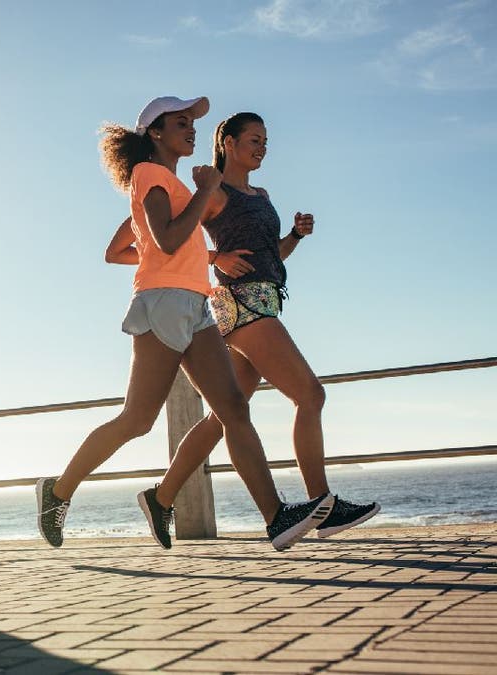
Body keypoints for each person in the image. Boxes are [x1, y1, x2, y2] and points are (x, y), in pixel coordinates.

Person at [35, 96, 334, 552]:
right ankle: (57, 491)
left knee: (233, 408)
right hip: (162, 303)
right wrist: (203, 192)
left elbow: (158, 244)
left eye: (193, 122)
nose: (192, 129)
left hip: (197, 304)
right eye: (181, 123)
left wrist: (206, 237)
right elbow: (169, 240)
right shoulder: (149, 176)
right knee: (137, 420)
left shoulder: (172, 183)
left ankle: (276, 517)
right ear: (155, 133)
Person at [105, 112, 379, 537]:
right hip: (242, 306)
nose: (262, 147)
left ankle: (161, 498)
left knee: (224, 415)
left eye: (266, 141)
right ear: (228, 143)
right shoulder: (211, 191)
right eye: (253, 139)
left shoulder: (261, 194)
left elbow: (270, 258)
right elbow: (155, 237)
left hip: (264, 297)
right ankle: (323, 505)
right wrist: (216, 259)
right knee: (310, 394)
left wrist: (295, 237)